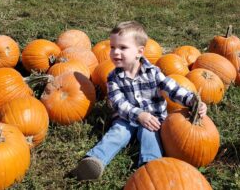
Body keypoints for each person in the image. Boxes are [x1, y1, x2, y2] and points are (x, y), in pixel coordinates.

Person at [70, 21, 207, 181]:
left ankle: (151, 168)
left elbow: (173, 88)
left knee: (150, 136)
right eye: (113, 47)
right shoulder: (113, 78)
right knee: (117, 133)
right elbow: (118, 103)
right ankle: (94, 160)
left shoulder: (154, 73)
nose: (115, 52)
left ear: (139, 52)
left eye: (123, 48)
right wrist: (139, 115)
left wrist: (192, 101)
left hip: (153, 119)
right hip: (126, 118)